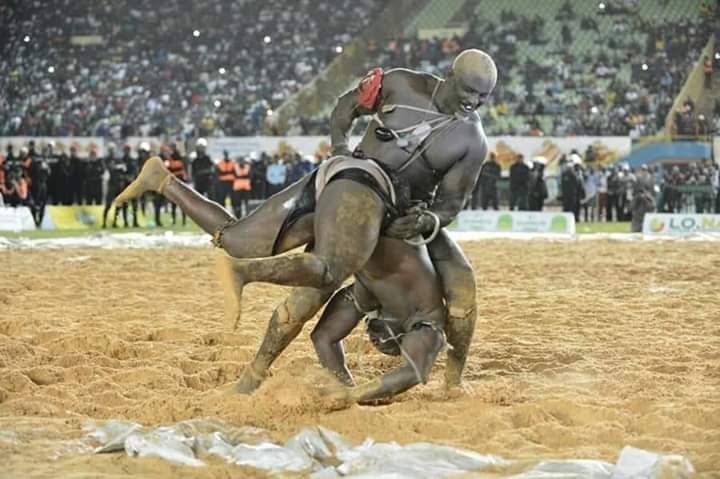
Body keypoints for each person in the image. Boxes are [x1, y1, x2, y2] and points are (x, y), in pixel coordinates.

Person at [114, 49, 496, 393]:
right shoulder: (401, 82)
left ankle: (453, 378)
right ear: (450, 75)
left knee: (461, 286)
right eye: (469, 91)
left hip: (401, 217)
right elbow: (346, 107)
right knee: (237, 241)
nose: (474, 102)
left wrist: (428, 221)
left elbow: (451, 204)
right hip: (348, 181)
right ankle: (162, 181)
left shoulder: (471, 140)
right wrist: (340, 148)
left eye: (482, 96)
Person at [309, 236, 445, 402]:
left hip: (354, 239)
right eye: (382, 343)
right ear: (401, 336)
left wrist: (343, 388)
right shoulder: (427, 317)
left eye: (375, 343)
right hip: (400, 231)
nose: (373, 340)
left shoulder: (367, 300)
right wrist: (353, 395)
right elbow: (415, 372)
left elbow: (323, 337)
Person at [102, 143, 129, 228]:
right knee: (108, 204)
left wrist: (118, 167)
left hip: (119, 183)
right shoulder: (106, 159)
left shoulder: (118, 158)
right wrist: (119, 167)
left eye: (113, 149)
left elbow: (124, 168)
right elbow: (111, 167)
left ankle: (115, 222)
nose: (112, 151)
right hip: (112, 183)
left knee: (119, 204)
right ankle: (104, 223)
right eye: (110, 149)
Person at [166, 143, 188, 226]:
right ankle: (175, 220)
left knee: (182, 202)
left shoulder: (180, 157)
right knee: (174, 203)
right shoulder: (170, 158)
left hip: (180, 181)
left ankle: (183, 221)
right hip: (174, 181)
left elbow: (184, 169)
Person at [631, 164, 656, 232]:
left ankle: (649, 227)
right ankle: (636, 228)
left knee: (652, 208)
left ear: (647, 170)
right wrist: (640, 194)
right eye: (642, 170)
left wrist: (648, 195)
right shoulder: (639, 178)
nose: (643, 171)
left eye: (645, 170)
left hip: (648, 197)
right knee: (636, 211)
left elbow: (652, 190)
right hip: (640, 197)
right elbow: (636, 189)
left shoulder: (651, 178)